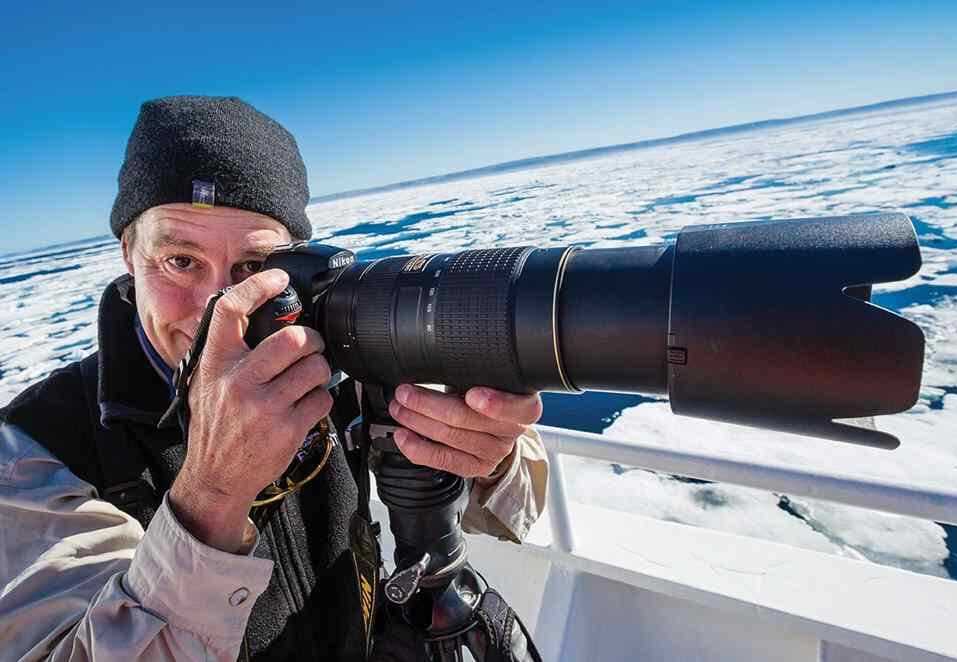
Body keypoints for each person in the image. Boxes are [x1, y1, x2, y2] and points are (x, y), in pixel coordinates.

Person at [0, 96, 548, 661]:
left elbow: (516, 497)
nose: (217, 305)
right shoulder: (36, 452)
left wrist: (490, 457)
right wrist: (212, 494)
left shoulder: (338, 367)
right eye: (180, 261)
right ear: (128, 254)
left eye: (252, 269)